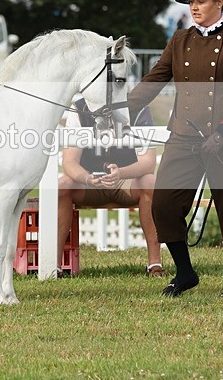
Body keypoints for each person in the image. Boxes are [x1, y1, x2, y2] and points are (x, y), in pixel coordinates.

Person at [128, 0, 223, 297]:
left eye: (201, 1)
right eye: (191, 2)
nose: (195, 7)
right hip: (184, 137)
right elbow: (156, 78)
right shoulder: (180, 39)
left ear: (219, 1)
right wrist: (121, 109)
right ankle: (185, 273)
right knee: (164, 205)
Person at [57, 99, 163, 277]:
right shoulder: (79, 109)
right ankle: (55, 266)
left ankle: (155, 264)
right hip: (90, 181)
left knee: (150, 182)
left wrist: (121, 173)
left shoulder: (139, 107)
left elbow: (148, 163)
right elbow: (69, 162)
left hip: (127, 181)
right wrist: (87, 178)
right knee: (62, 186)